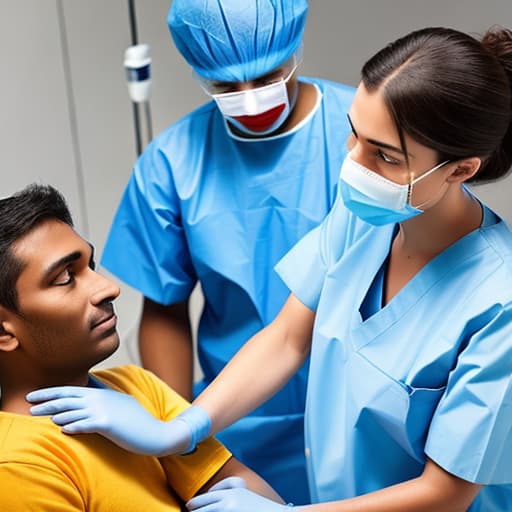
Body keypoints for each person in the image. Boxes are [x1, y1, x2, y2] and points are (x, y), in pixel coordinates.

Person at [29, 25, 512, 510]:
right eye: (354, 134)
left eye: (384, 156)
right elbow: (285, 339)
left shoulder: (499, 305)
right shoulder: (362, 220)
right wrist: (181, 428)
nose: (354, 164)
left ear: (460, 169)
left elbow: (446, 492)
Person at [97, 0, 354, 503]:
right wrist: (176, 442)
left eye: (266, 77)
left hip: (362, 407)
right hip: (237, 418)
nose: (250, 99)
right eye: (225, 87)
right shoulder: (173, 163)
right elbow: (165, 309)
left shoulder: (364, 135)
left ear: (294, 50)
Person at [0, 183, 284, 511]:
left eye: (89, 267)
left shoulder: (137, 387)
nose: (108, 288)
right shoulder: (20, 467)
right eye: (65, 278)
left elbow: (259, 496)